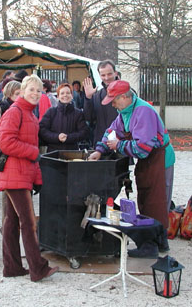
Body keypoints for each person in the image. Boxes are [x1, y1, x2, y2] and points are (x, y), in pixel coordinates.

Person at [88, 80, 175, 258]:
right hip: (148, 161)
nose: (112, 104)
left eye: (114, 100)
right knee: (145, 198)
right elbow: (111, 131)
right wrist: (99, 150)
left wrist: (118, 145)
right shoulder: (123, 112)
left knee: (156, 201)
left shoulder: (143, 111)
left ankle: (152, 246)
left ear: (126, 97)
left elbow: (142, 149)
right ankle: (159, 241)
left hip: (160, 161)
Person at [0, 74, 59, 281]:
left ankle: (12, 267)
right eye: (31, 89)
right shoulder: (15, 112)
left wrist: (37, 176)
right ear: (22, 91)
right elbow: (6, 143)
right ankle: (37, 268)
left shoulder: (30, 114)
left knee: (12, 221)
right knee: (28, 222)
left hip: (22, 174)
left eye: (39, 91)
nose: (35, 93)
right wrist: (33, 154)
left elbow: (31, 151)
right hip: (15, 175)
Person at [39, 83, 89, 152]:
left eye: (68, 93)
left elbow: (84, 132)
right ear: (58, 96)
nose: (65, 95)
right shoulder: (51, 112)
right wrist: (57, 137)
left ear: (72, 96)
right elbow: (42, 130)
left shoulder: (78, 113)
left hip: (73, 153)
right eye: (62, 93)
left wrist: (68, 137)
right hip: (53, 153)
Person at [83, 59, 119, 147]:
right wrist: (88, 98)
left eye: (109, 74)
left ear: (116, 73)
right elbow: (89, 117)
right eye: (103, 75)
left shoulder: (127, 93)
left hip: (121, 143)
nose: (106, 78)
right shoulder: (97, 95)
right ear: (99, 75)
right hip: (101, 142)